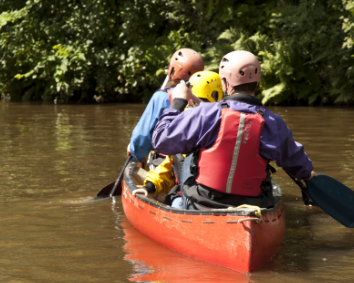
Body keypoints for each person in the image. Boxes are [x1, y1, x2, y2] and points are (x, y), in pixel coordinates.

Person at [151, 50, 316, 210]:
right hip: (255, 204)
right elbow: (298, 163)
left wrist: (178, 102)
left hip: (204, 202)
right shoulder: (273, 122)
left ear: (226, 83)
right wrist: (308, 176)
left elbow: (161, 142)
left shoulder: (205, 113)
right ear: (258, 84)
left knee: (184, 156)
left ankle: (178, 203)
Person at [131, 71, 223, 202]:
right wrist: (148, 187)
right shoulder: (225, 126)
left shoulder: (186, 132)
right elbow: (167, 169)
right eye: (190, 104)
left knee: (176, 202)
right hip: (196, 198)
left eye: (194, 104)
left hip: (196, 200)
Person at [127, 49, 204, 169]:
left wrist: (134, 152)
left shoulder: (162, 97)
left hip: (165, 164)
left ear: (173, 69)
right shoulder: (205, 100)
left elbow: (142, 136)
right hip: (194, 163)